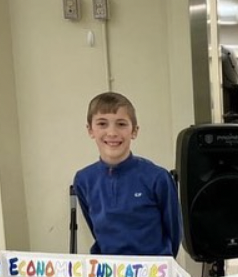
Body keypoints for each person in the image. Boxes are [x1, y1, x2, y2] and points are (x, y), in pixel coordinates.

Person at [73, 92, 181, 257]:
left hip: (154, 274)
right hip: (110, 274)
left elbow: (173, 233)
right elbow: (95, 229)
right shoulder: (84, 180)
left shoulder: (158, 178)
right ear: (90, 130)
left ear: (134, 131)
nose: (112, 133)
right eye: (102, 124)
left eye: (121, 124)